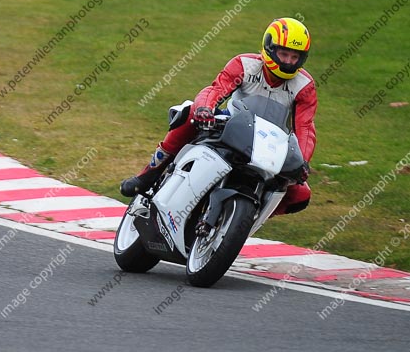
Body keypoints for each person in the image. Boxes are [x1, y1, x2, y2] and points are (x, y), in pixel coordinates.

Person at [120, 17, 316, 216]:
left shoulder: (304, 86)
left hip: (272, 146)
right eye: (284, 54)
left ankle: (250, 217)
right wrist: (205, 108)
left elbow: (305, 127)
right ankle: (149, 175)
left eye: (295, 57)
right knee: (189, 114)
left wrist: (303, 161)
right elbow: (217, 89)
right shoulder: (244, 64)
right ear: (269, 48)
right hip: (233, 124)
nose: (289, 62)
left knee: (301, 193)